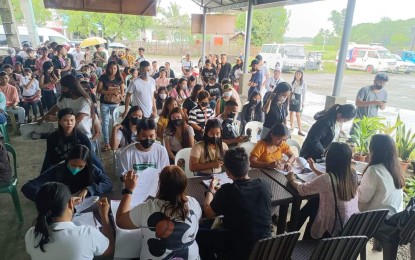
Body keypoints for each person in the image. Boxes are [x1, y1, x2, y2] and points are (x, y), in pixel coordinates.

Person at [116, 166, 202, 259]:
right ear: (184, 185)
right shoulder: (193, 203)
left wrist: (128, 191)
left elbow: (120, 221)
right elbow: (198, 219)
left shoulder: (148, 208)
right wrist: (210, 191)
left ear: (160, 184)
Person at [201, 148, 272, 260]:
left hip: (238, 250)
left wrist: (210, 190)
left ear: (228, 172)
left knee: (200, 235)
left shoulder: (226, 191)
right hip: (265, 248)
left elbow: (208, 212)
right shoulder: (264, 185)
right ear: (248, 165)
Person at [287, 142, 359, 239]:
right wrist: (314, 169)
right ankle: (292, 226)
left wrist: (291, 179)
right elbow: (332, 180)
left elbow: (302, 189)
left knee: (313, 204)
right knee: (315, 201)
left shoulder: (327, 179)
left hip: (332, 230)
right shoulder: (352, 174)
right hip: (349, 226)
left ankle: (303, 239)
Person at [25, 182, 114, 259]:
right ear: (71, 204)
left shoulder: (31, 234)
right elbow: (109, 250)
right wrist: (104, 216)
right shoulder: (87, 234)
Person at [22, 144, 112, 202]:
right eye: (73, 164)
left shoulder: (91, 169)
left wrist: (89, 189)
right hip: (62, 206)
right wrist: (52, 198)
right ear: (67, 160)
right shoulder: (58, 170)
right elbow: (27, 187)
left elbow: (108, 183)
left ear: (86, 164)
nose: (76, 168)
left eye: (80, 166)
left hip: (83, 205)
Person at [41, 108, 100, 173]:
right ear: (60, 122)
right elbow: (52, 159)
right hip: (61, 165)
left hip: (79, 165)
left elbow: (89, 158)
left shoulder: (82, 137)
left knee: (94, 159)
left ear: (75, 121)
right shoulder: (52, 138)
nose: (69, 123)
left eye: (72, 120)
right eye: (66, 120)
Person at [358, 134, 404, 217]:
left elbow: (363, 198)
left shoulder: (374, 170)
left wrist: (353, 186)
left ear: (374, 150)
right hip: (392, 222)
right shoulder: (396, 171)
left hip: (374, 223)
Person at [41, 75, 94, 141]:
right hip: (66, 134)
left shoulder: (84, 101)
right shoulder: (63, 98)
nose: (62, 90)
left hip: (82, 135)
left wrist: (56, 119)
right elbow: (55, 108)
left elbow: (76, 121)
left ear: (71, 88)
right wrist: (42, 118)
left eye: (64, 88)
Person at [97, 61, 125, 152]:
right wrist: (112, 92)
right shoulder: (103, 77)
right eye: (111, 68)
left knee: (116, 123)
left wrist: (120, 95)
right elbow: (98, 90)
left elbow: (122, 92)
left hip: (115, 103)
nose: (113, 70)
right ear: (108, 68)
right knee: (105, 123)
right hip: (104, 103)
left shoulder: (119, 78)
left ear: (117, 69)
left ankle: (116, 141)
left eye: (115, 68)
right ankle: (107, 143)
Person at [289, 69, 307, 136]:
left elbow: (304, 94)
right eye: (296, 74)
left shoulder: (303, 83)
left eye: (299, 74)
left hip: (298, 98)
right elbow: (290, 92)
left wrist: (303, 102)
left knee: (298, 115)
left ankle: (300, 130)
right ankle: (291, 127)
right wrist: (289, 100)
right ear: (295, 74)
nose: (298, 75)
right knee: (291, 113)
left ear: (301, 75)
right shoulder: (292, 82)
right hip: (292, 97)